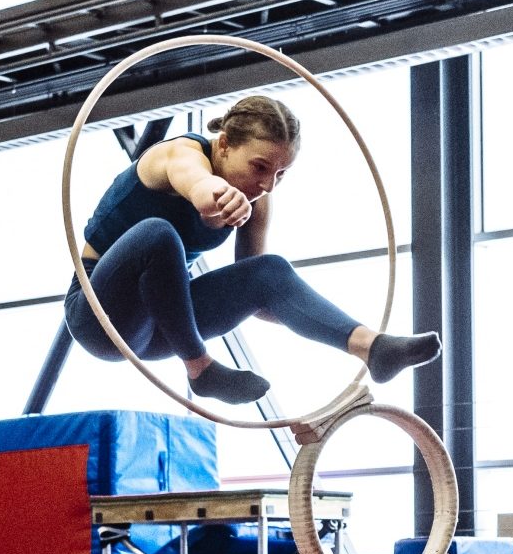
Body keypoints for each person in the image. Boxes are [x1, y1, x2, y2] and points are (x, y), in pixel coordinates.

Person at [64, 95, 440, 404]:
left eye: (280, 174)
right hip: (99, 314)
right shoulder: (180, 154)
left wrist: (295, 305)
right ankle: (200, 368)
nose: (268, 185)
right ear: (224, 145)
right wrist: (216, 195)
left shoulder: (257, 201)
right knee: (158, 234)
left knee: (268, 271)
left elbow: (261, 299)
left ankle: (371, 348)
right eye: (260, 167)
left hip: (167, 324)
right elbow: (196, 185)